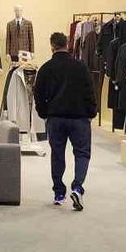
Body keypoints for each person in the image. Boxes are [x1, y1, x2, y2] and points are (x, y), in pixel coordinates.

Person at [32, 31, 97, 211]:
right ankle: (77, 187)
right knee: (82, 153)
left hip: (56, 118)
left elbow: (38, 94)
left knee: (57, 154)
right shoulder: (81, 67)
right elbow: (90, 91)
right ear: (67, 45)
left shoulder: (46, 68)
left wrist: (44, 113)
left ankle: (59, 192)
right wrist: (91, 112)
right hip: (79, 118)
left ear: (52, 46)